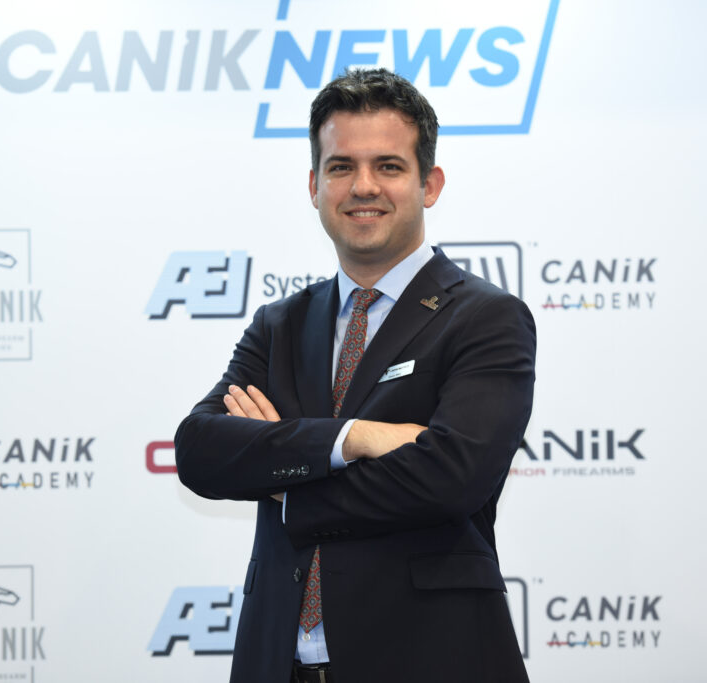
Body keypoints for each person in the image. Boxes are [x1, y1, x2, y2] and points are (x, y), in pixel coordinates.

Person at [175, 68, 535, 683]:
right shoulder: (280, 324)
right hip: (277, 664)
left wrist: (284, 480)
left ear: (429, 184)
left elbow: (450, 479)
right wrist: (355, 439)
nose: (363, 186)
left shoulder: (486, 317)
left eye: (388, 166)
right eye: (341, 167)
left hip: (430, 661)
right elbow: (201, 451)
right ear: (314, 185)